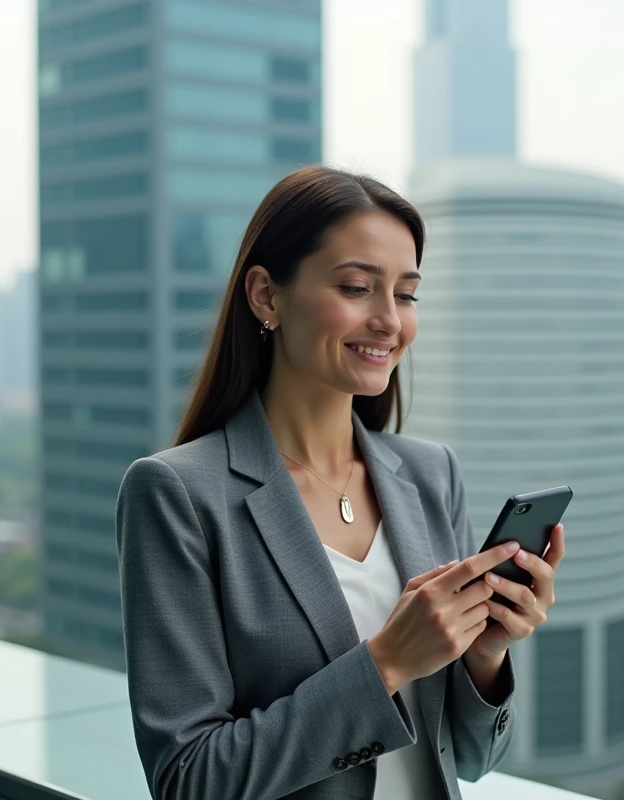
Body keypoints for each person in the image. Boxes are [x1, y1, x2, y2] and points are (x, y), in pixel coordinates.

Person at [115, 166, 566, 799]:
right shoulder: (177, 495)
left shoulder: (432, 474)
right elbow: (188, 781)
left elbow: (470, 759)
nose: (389, 321)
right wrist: (387, 663)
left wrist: (483, 655)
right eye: (357, 288)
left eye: (406, 295)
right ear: (266, 296)